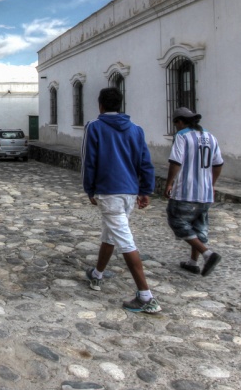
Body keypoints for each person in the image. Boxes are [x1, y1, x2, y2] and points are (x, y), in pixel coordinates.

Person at [81, 87, 160, 314]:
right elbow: (145, 162)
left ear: (101, 105)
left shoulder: (95, 128)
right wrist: (145, 190)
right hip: (129, 192)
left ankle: (145, 296)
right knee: (111, 233)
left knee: (125, 240)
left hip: (109, 191)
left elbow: (89, 161)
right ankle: (97, 273)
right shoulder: (136, 130)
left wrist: (89, 189)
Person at [164, 107, 224, 277]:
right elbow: (218, 164)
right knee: (198, 227)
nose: (175, 126)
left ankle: (207, 254)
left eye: (176, 123)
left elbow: (175, 162)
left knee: (177, 221)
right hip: (205, 193)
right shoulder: (210, 137)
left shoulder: (182, 136)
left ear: (180, 122)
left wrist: (169, 184)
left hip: (185, 191)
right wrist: (211, 183)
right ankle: (193, 262)